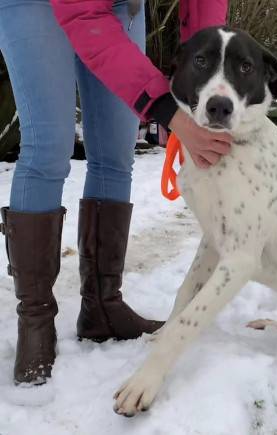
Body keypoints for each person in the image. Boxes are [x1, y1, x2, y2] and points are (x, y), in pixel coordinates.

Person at [0, 0, 231, 385]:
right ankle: (35, 321)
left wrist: (200, 78)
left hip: (116, 5)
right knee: (48, 148)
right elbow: (83, 13)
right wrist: (167, 112)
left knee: (115, 152)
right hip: (36, 5)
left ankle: (102, 306)